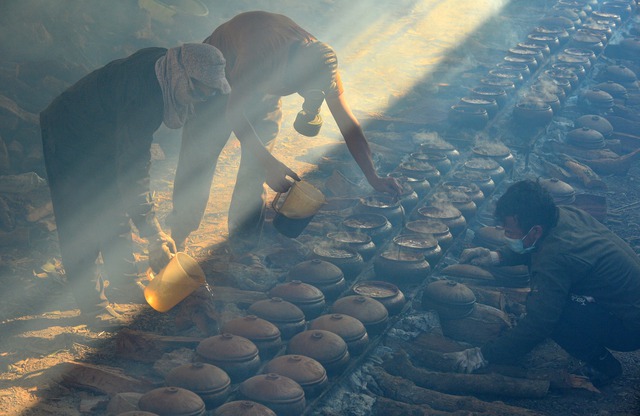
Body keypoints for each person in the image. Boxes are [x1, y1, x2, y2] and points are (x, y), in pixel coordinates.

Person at [167, 11, 402, 251]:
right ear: (294, 73)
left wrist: (373, 176)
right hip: (214, 83)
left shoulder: (324, 67)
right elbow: (234, 113)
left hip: (263, 91)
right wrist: (268, 162)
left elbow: (348, 125)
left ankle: (243, 250)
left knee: (254, 172)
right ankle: (178, 240)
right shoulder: (263, 49)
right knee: (198, 166)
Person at [40, 43, 231, 327]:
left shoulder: (167, 67)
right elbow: (134, 172)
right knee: (81, 220)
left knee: (114, 207)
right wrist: (152, 231)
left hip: (105, 134)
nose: (201, 100)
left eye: (211, 93)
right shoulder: (145, 96)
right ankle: (94, 307)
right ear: (183, 76)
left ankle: (124, 281)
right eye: (200, 92)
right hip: (70, 131)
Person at [447, 179, 640, 386]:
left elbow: (540, 323)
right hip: (628, 303)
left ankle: (603, 364)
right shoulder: (562, 214)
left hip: (630, 328)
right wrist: (496, 256)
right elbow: (535, 246)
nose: (506, 236)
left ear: (536, 230)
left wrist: (484, 354)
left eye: (510, 233)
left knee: (552, 317)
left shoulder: (555, 259)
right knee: (552, 303)